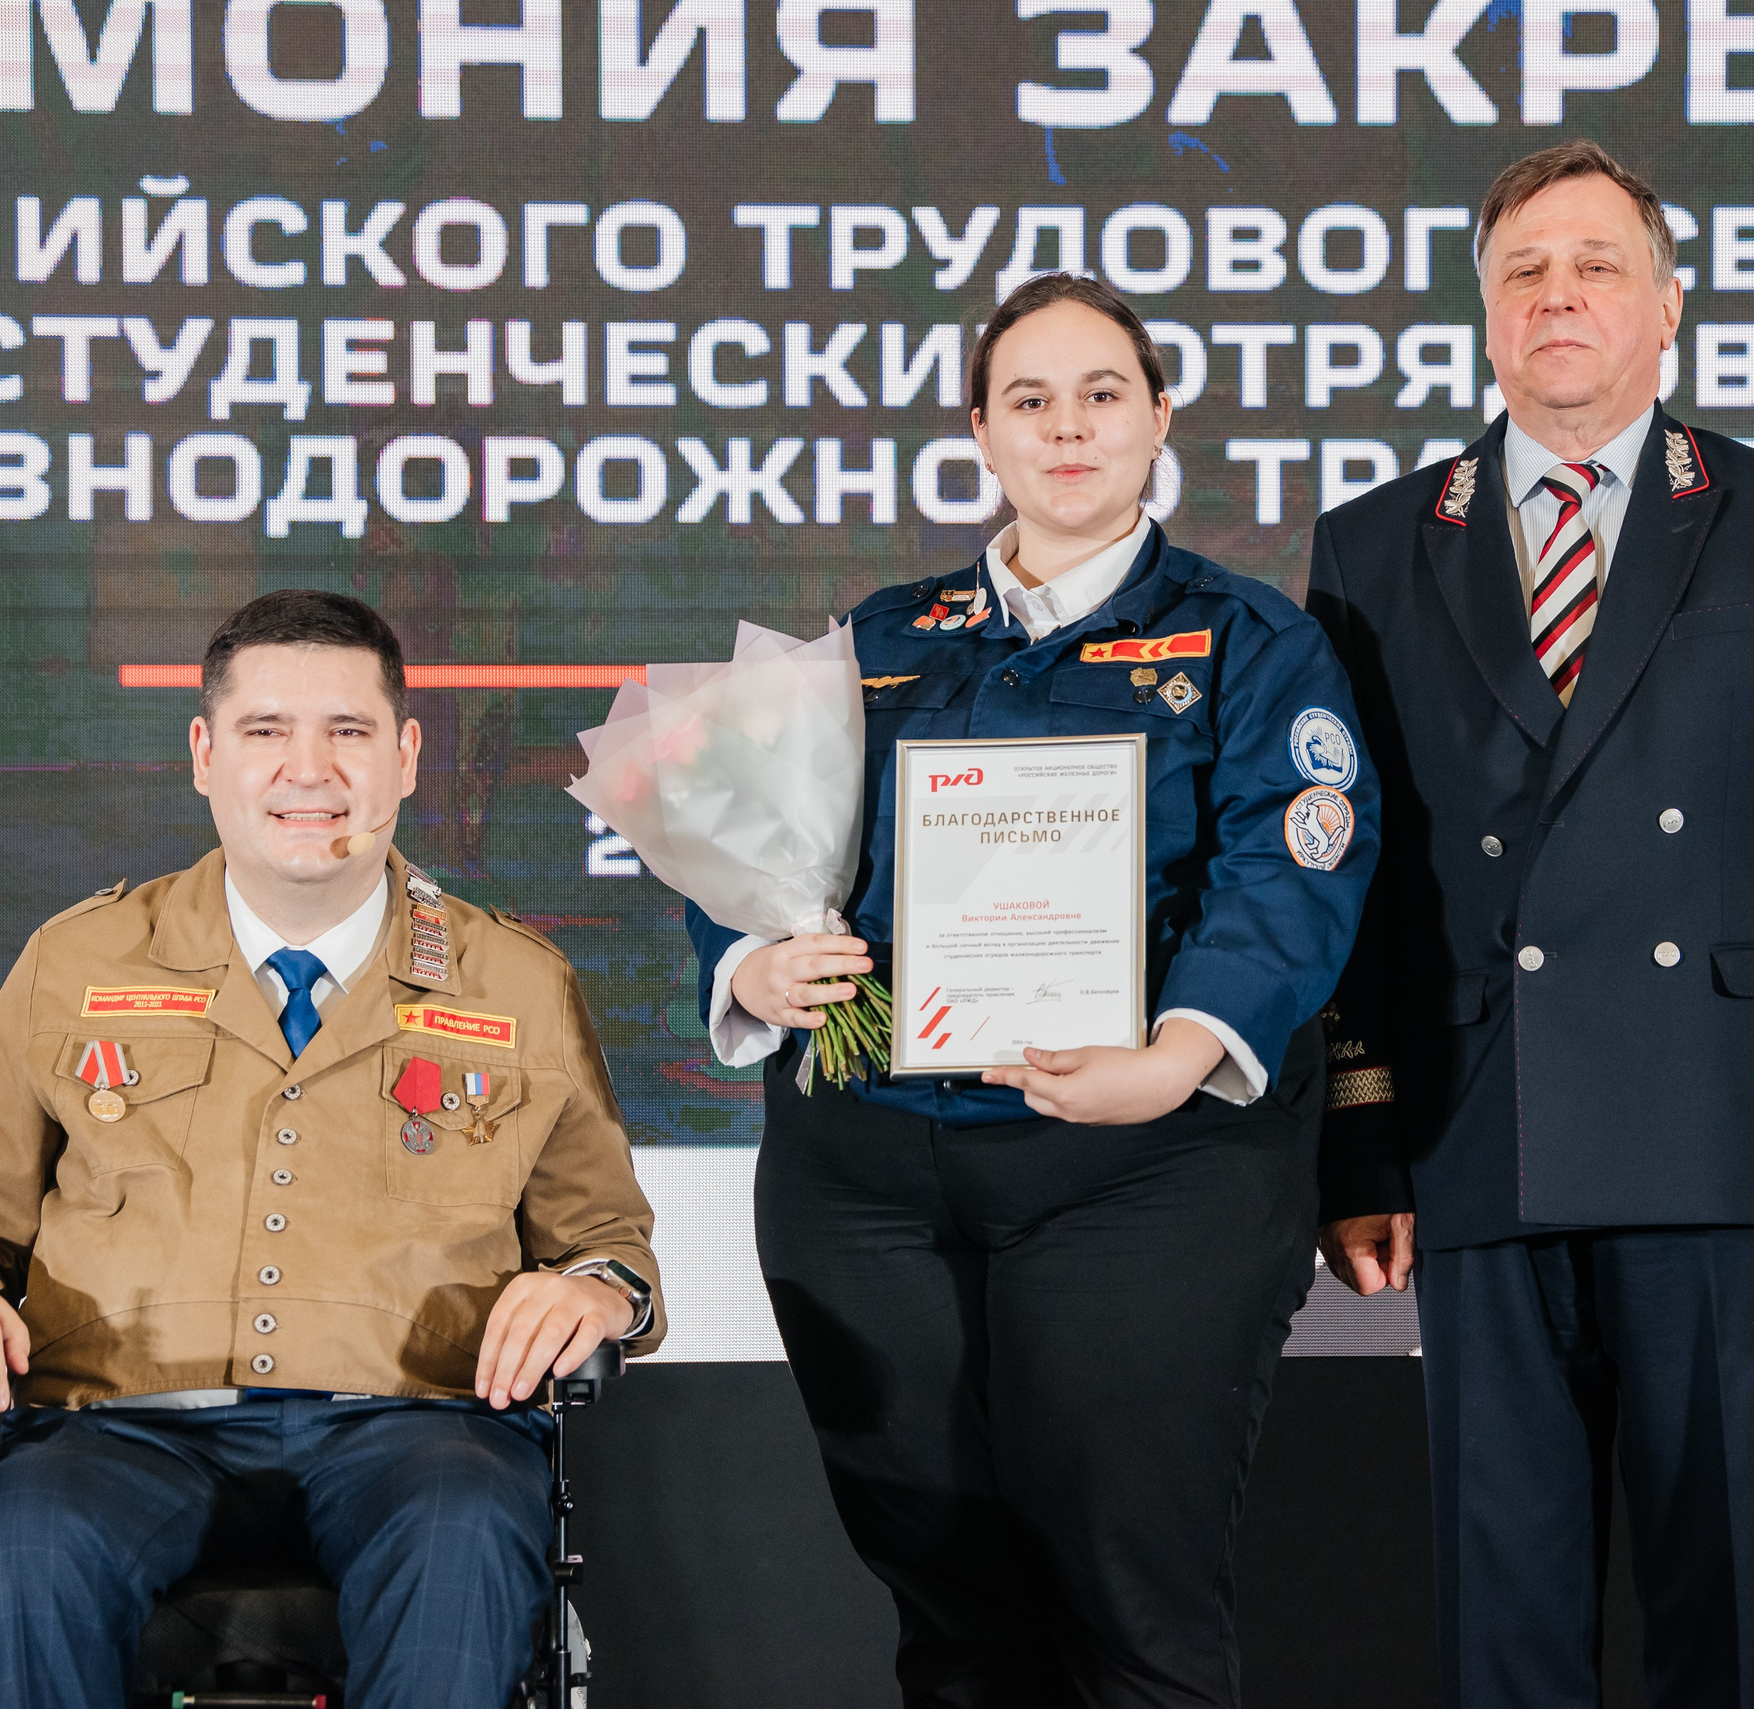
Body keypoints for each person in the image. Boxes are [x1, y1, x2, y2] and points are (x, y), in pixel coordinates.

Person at [1308, 141, 1754, 1709]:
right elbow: (1353, 877)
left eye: (1596, 265)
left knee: (1718, 1603)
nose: (1558, 295)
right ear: (1484, 321)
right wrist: (1361, 1148)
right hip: (1478, 1130)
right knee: (1501, 1619)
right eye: (1523, 272)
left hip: (1720, 1129)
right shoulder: (1374, 542)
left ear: (1666, 312)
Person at [685, 271, 1378, 1706]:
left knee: (1133, 1599)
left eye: (1103, 393)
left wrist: (1178, 1052)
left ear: (1160, 417)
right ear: (983, 436)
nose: (1069, 428)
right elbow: (742, 858)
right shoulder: (879, 639)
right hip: (870, 1177)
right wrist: (757, 960)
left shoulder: (1254, 643)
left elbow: (1293, 873)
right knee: (952, 1611)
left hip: (1145, 1165)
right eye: (1031, 401)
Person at [0, 590, 664, 1709]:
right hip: (121, 1422)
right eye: (265, 731)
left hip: (416, 1422)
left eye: (347, 732)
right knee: (27, 1549)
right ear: (202, 752)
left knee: (464, 1534)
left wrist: (593, 1291)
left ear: (405, 755)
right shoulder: (76, 958)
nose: (310, 770)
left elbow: (607, 1242)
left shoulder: (516, 980)